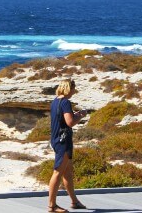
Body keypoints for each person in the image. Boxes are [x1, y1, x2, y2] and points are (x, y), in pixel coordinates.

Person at [48, 79, 87, 213]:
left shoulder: (55, 101)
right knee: (58, 172)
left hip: (56, 139)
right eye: (73, 89)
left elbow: (62, 119)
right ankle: (52, 206)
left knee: (68, 173)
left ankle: (74, 202)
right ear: (69, 89)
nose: (74, 91)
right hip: (63, 141)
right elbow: (70, 122)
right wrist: (80, 115)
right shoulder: (65, 102)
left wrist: (74, 114)